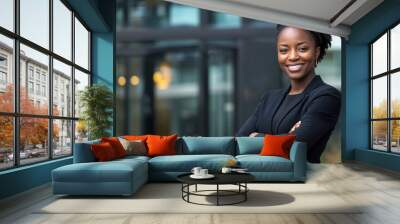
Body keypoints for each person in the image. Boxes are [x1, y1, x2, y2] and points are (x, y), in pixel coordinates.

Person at [236, 25, 341, 163]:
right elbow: (239, 141)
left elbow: (293, 146)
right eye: (284, 50)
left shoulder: (326, 96)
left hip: (300, 179)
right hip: (256, 174)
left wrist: (256, 137)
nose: (292, 57)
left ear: (316, 52)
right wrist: (284, 136)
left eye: (302, 49)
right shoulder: (270, 98)